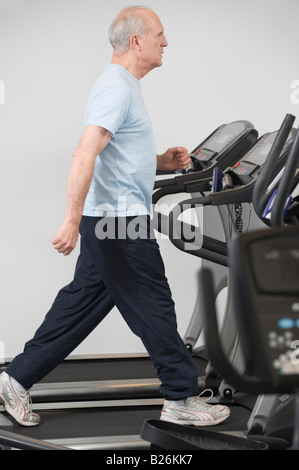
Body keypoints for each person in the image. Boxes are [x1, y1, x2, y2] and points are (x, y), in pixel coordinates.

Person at [0, 6, 230, 428]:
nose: (166, 42)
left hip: (110, 219)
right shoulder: (117, 88)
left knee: (80, 305)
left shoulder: (122, 85)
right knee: (154, 304)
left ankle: (15, 380)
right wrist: (70, 219)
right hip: (120, 224)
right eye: (160, 34)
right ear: (137, 41)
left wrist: (161, 161)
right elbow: (85, 152)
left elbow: (114, 156)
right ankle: (179, 398)